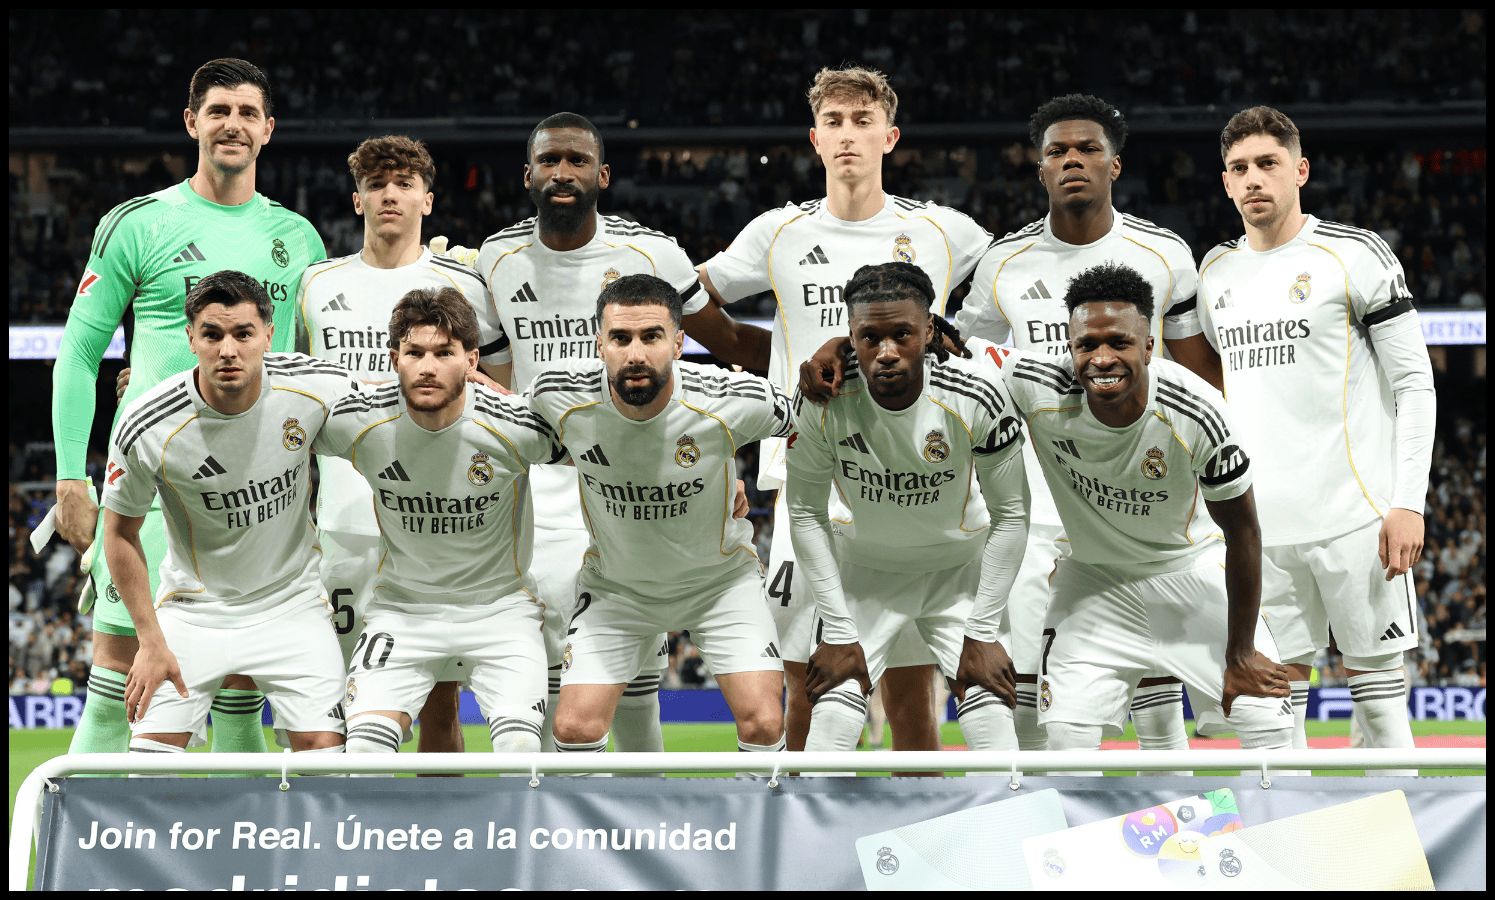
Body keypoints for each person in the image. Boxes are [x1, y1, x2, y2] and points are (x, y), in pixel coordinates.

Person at [693, 66, 993, 754]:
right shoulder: (777, 232)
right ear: (814, 139)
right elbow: (684, 296)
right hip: (811, 478)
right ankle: (802, 839)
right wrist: (755, 352)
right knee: (807, 677)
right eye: (833, 122)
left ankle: (916, 835)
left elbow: (1001, 303)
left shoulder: (946, 232)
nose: (847, 134)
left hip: (921, 477)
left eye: (862, 121)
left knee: (912, 699)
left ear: (890, 136)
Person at [51, 58, 326, 758]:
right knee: (117, 692)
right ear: (191, 122)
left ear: (268, 129)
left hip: (255, 499)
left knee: (240, 705)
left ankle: (240, 865)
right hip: (149, 492)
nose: (231, 123)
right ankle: (76, 867)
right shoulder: (138, 224)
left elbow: (308, 373)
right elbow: (80, 355)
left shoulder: (298, 240)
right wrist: (69, 478)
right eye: (217, 110)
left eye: (246, 112)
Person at [950, 94, 1216, 756]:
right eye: (1056, 152)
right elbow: (961, 367)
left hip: (1142, 509)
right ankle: (1043, 845)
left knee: (1157, 697)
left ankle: (1172, 848)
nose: (1071, 160)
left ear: (1114, 165)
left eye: (1086, 149)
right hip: (1034, 510)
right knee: (1031, 698)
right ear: (1038, 169)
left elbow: (1197, 379)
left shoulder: (1164, 255)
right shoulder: (1003, 263)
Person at [464, 113, 710, 753]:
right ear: (528, 176)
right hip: (541, 491)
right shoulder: (495, 257)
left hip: (632, 485)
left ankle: (647, 828)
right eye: (550, 162)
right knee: (553, 671)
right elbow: (495, 380)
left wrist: (722, 472)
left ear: (602, 174)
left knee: (636, 679)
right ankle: (560, 831)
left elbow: (722, 357)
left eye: (576, 160)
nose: (562, 173)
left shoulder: (652, 253)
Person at [1196, 107, 1435, 765]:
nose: (1253, 180)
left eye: (1267, 163)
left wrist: (1406, 501)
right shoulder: (1212, 273)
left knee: (1382, 713)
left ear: (1299, 170)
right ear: (1224, 182)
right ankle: (1296, 863)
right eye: (1239, 168)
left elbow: (1414, 384)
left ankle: (1403, 862)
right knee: (1277, 723)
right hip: (1258, 535)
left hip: (1355, 521)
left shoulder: (1353, 254)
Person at [990, 262, 1293, 753]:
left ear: (1149, 345)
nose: (1101, 358)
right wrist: (835, 349)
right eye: (1087, 345)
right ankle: (1090, 830)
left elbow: (1245, 532)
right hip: (1093, 581)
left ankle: (1280, 833)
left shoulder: (1199, 410)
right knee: (1065, 737)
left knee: (1267, 721)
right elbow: (942, 345)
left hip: (1190, 572)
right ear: (1069, 346)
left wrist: (1240, 653)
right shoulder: (1037, 383)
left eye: (1119, 343)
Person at [528, 274, 791, 756]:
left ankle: (755, 830)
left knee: (764, 722)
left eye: (651, 337)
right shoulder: (557, 395)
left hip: (718, 585)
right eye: (620, 338)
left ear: (678, 342)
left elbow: (814, 422)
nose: (635, 354)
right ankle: (595, 833)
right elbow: (503, 435)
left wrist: (766, 485)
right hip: (616, 589)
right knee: (575, 728)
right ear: (599, 343)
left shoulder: (733, 398)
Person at [295, 135, 496, 755]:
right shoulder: (316, 285)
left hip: (435, 523)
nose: (390, 195)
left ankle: (443, 841)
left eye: (404, 184)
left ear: (428, 200)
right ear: (357, 199)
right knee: (335, 701)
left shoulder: (464, 285)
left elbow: (496, 390)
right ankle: (348, 836)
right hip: (342, 519)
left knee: (438, 706)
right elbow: (295, 396)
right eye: (377, 184)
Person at [103, 270, 353, 757]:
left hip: (293, 604)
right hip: (194, 612)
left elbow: (398, 409)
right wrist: (149, 640)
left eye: (243, 334)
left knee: (328, 759)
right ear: (191, 337)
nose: (229, 350)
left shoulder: (315, 386)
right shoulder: (147, 423)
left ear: (268, 334)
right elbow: (118, 534)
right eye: (213, 335)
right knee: (147, 768)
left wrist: (474, 381)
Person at [786, 262, 1029, 753]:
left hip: (959, 573)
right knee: (829, 724)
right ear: (850, 336)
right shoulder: (823, 396)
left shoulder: (976, 393)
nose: (888, 352)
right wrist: (836, 627)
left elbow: (1013, 516)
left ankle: (1004, 830)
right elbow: (804, 513)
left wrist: (981, 632)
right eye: (870, 337)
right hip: (863, 576)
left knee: (993, 721)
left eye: (903, 334)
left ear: (929, 332)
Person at [318, 288, 563, 755]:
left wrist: (723, 483)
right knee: (364, 754)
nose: (427, 366)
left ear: (472, 360)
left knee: (521, 754)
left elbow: (612, 450)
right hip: (402, 612)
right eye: (414, 352)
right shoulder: (358, 421)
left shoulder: (515, 424)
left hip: (500, 611)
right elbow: (272, 426)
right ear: (394, 359)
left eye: (444, 353)